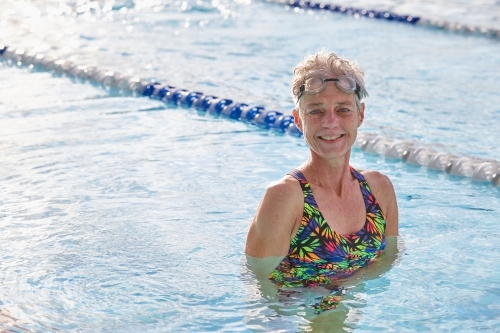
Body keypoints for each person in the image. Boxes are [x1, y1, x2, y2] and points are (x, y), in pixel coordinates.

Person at [244, 50, 399, 314]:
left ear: (360, 115)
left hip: (346, 308)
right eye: (315, 111)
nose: (330, 123)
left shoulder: (379, 189)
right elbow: (257, 285)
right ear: (298, 120)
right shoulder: (285, 196)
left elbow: (388, 257)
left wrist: (344, 288)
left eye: (343, 109)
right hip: (295, 312)